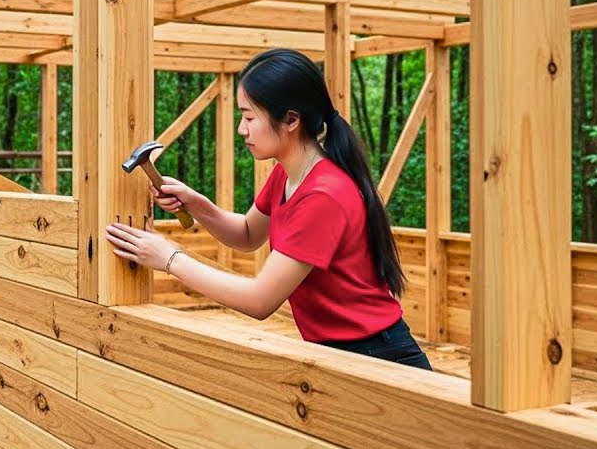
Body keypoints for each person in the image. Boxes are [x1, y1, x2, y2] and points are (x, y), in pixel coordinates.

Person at [104, 48, 432, 370]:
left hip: (379, 355)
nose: (241, 129)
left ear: (290, 120)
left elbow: (259, 300)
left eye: (248, 117)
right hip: (342, 353)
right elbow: (248, 234)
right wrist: (199, 205)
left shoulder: (323, 195)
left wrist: (170, 258)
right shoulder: (288, 174)